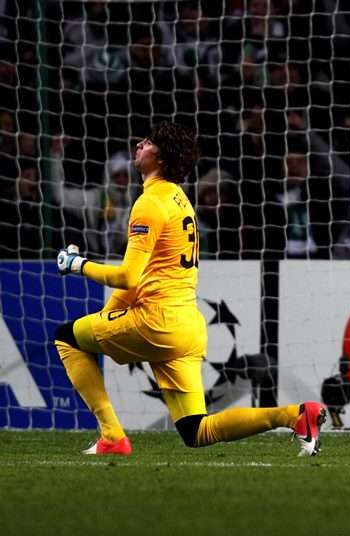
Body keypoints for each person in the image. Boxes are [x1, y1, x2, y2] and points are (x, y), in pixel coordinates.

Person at [52, 121, 326, 456]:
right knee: (196, 430)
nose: (140, 144)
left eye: (150, 142)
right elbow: (147, 275)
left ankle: (111, 436)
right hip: (186, 326)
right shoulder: (180, 199)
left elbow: (127, 277)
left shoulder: (149, 203)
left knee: (67, 338)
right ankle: (296, 414)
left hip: (155, 321)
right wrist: (110, 312)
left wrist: (75, 265)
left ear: (162, 158)